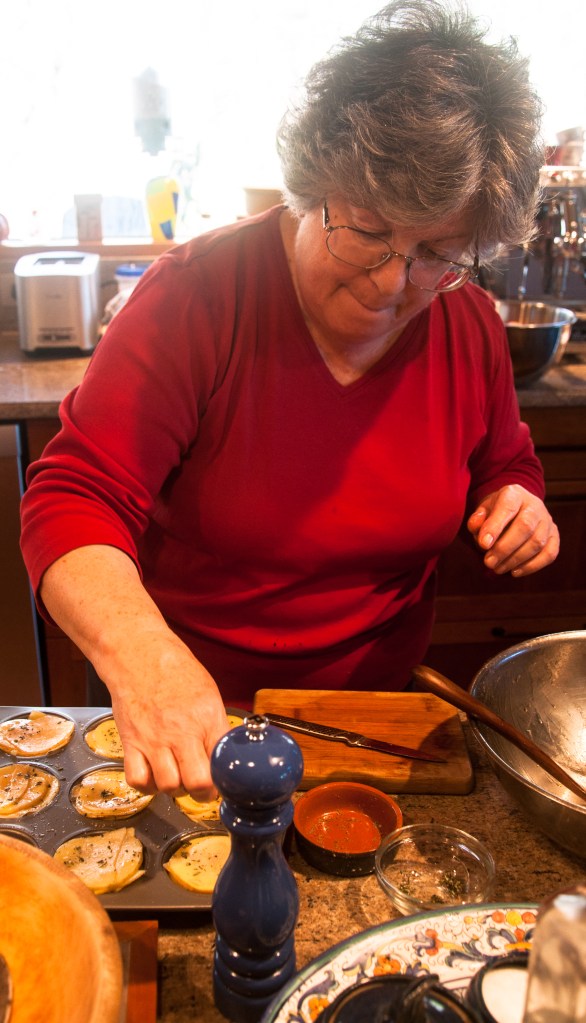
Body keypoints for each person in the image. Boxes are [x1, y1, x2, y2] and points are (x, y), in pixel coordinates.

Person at [20, 0, 559, 800]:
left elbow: (502, 458)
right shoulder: (195, 302)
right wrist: (145, 659)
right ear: (312, 186)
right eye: (369, 231)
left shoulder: (468, 323)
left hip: (379, 726)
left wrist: (516, 497)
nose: (391, 283)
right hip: (197, 721)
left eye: (436, 254)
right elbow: (72, 499)